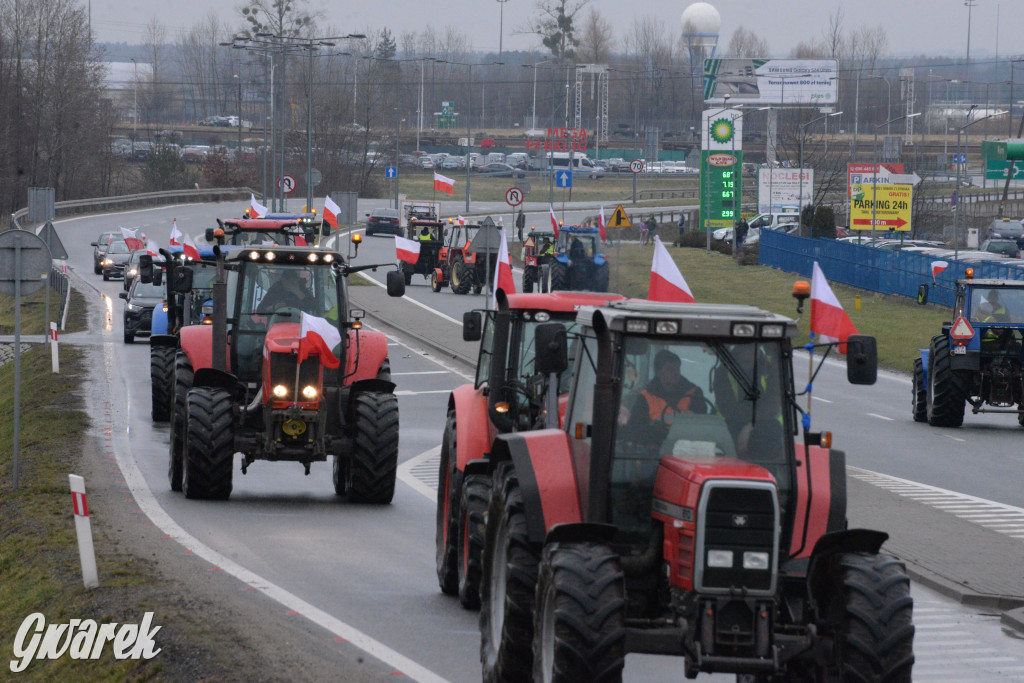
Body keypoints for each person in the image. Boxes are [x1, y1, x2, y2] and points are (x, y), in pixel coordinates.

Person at [620, 350, 708, 443]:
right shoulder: (646, 397)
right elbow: (634, 431)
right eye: (670, 369)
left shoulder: (694, 393)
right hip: (653, 453)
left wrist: (694, 419)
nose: (675, 373)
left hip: (687, 450)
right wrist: (658, 431)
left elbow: (704, 428)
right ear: (658, 372)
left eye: (677, 369)